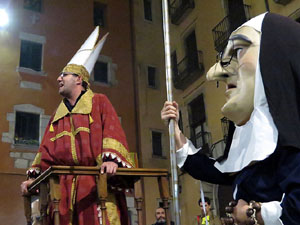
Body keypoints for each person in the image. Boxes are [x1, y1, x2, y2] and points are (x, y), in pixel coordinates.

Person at [161, 13, 300, 225]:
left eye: (238, 51)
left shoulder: (292, 143)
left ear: (274, 58)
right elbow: (214, 170)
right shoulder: (255, 148)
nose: (215, 73)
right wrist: (176, 132)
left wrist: (253, 214)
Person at [20, 26, 134, 225]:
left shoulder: (99, 102)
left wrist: (111, 160)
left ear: (79, 79)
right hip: (62, 191)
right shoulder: (57, 115)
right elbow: (45, 151)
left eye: (64, 75)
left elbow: (112, 131)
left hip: (95, 184)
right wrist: (34, 179)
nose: (58, 79)